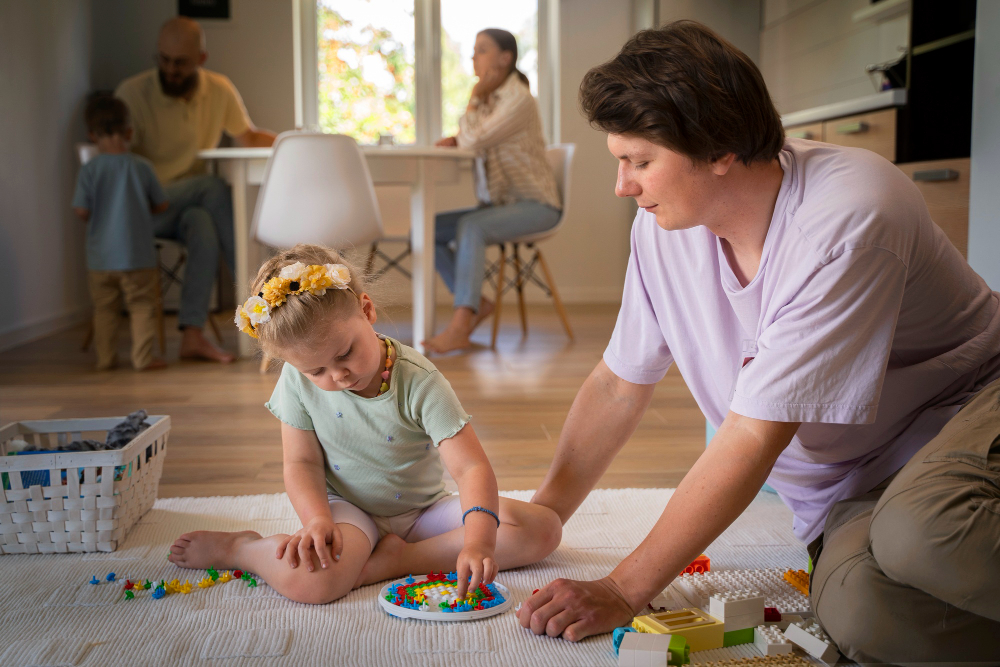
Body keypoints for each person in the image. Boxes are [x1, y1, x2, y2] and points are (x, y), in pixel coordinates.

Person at [515, 21, 1000, 664]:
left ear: (720, 149)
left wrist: (622, 587)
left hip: (967, 410)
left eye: (641, 162)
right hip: (858, 478)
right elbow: (618, 381)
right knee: (862, 615)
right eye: (619, 160)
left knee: (926, 535)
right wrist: (547, 511)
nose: (623, 186)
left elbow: (751, 437)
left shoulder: (848, 217)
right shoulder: (663, 229)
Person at [167, 244, 562, 603]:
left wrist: (477, 543)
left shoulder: (419, 380)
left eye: (345, 353)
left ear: (367, 310)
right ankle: (244, 549)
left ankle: (399, 559)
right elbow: (301, 464)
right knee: (313, 584)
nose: (337, 376)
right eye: (316, 370)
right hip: (347, 511)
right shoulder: (296, 380)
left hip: (422, 511)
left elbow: (471, 467)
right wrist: (318, 520)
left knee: (542, 528)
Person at [115, 17, 276, 364]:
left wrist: (296, 142)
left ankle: (192, 335)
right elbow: (117, 170)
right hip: (142, 207)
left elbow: (247, 136)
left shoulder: (218, 89)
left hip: (188, 205)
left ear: (201, 59)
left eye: (180, 62)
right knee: (214, 188)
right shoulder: (131, 94)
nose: (170, 69)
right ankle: (263, 302)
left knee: (203, 222)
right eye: (164, 59)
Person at [427, 28, 561, 354]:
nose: (474, 57)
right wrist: (459, 136)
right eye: (473, 50)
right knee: (426, 229)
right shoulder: (493, 103)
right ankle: (477, 303)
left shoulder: (519, 100)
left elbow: (475, 138)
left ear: (506, 58)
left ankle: (461, 323)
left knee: (471, 226)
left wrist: (472, 98)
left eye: (482, 50)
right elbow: (476, 136)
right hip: (499, 207)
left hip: (537, 206)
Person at [72, 94, 169, 372]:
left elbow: (80, 210)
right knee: (141, 306)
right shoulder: (141, 167)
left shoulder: (90, 170)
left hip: (100, 258)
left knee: (104, 309)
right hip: (138, 255)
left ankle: (105, 359)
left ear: (92, 134)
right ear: (129, 132)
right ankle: (143, 358)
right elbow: (161, 203)